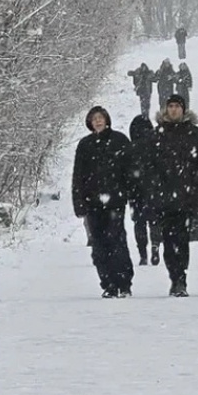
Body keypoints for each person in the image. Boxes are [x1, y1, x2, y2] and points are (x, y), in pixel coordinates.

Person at [140, 94, 198, 297]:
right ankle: (174, 276)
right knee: (168, 241)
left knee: (183, 240)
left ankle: (181, 279)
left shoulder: (194, 133)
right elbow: (149, 166)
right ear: (166, 109)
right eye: (171, 106)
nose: (174, 110)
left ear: (183, 109)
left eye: (178, 106)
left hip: (186, 196)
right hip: (165, 196)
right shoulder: (157, 134)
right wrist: (153, 191)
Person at [71, 106, 135, 298]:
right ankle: (108, 283)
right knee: (99, 245)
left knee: (117, 241)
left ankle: (123, 283)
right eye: (94, 118)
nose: (98, 121)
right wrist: (79, 202)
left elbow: (131, 170)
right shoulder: (85, 145)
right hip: (92, 203)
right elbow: (78, 176)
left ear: (107, 120)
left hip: (115, 201)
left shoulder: (119, 140)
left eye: (101, 118)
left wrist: (130, 193)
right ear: (90, 122)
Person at [128, 113, 162, 266]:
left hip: (136, 190)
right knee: (155, 221)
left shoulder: (130, 148)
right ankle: (155, 245)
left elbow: (125, 171)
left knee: (139, 223)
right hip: (154, 188)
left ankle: (142, 253)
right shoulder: (155, 146)